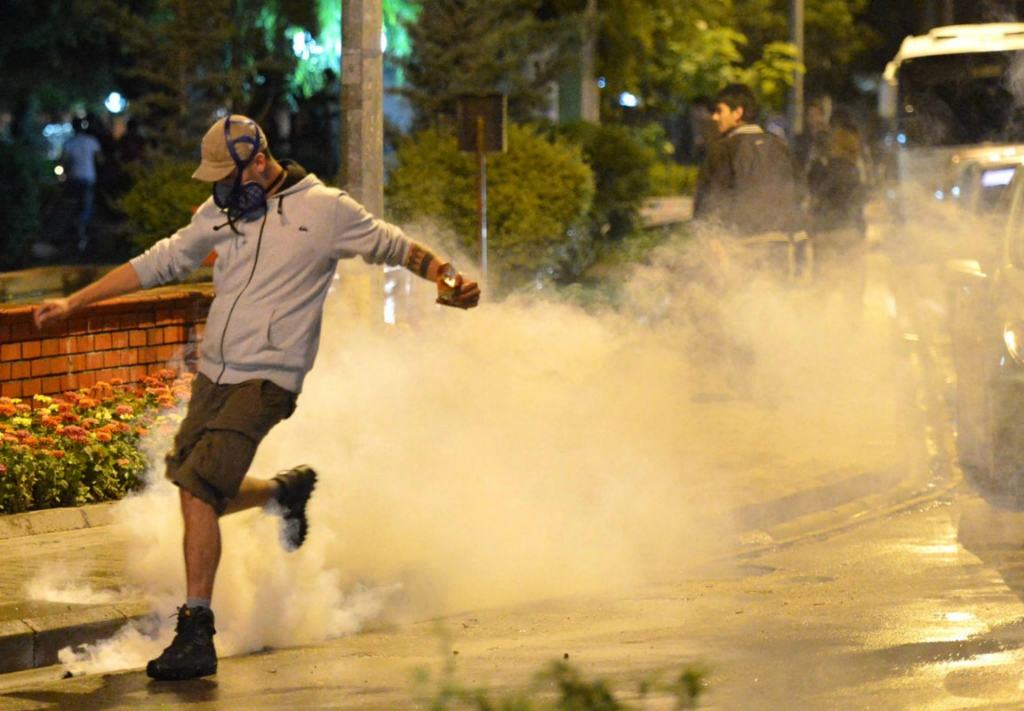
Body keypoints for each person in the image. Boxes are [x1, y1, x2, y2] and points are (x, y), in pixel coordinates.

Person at [33, 114, 481, 682]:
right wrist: (77, 304)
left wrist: (449, 278)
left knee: (198, 487)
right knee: (194, 485)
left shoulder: (326, 210)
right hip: (214, 375)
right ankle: (280, 494)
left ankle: (196, 632)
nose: (220, 189)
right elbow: (160, 261)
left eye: (227, 176)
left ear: (260, 161)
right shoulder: (222, 211)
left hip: (268, 378)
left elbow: (395, 246)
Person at [692, 83, 806, 281]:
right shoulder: (781, 148)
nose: (714, 117)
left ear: (738, 113)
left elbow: (709, 204)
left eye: (720, 111)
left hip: (741, 247)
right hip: (781, 244)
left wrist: (711, 245)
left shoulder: (723, 150)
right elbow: (801, 193)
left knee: (742, 308)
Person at [807, 124, 871, 322]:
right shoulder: (854, 169)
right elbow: (862, 198)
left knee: (822, 284)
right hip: (849, 232)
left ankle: (817, 328)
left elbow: (812, 192)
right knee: (853, 287)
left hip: (824, 231)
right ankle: (851, 329)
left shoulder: (822, 167)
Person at [60, 117, 104, 252]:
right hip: (89, 178)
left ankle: (78, 234)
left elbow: (63, 161)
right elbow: (100, 159)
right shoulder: (92, 141)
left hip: (74, 178)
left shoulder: (69, 143)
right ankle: (84, 235)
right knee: (87, 207)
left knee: (74, 206)